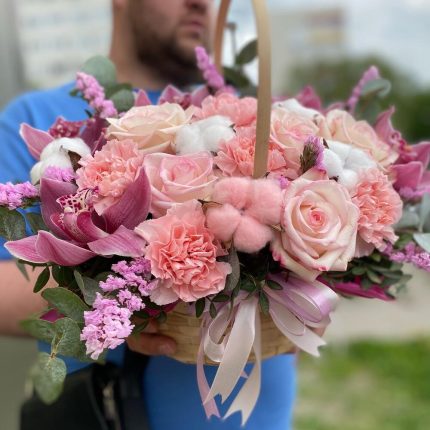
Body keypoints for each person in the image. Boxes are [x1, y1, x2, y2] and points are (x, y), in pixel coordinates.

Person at [0, 0, 297, 428]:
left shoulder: (247, 118)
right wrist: (122, 304)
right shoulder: (36, 120)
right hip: (118, 413)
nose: (201, 4)